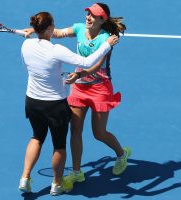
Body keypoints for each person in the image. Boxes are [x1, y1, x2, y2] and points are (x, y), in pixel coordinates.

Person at [24, 3, 131, 185]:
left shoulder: (105, 39)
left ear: (102, 20)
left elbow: (96, 64)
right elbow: (56, 33)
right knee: (75, 130)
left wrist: (80, 74)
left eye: (93, 16)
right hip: (80, 87)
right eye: (88, 14)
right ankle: (76, 172)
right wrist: (37, 30)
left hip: (100, 89)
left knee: (99, 133)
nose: (88, 17)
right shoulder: (79, 28)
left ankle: (121, 154)